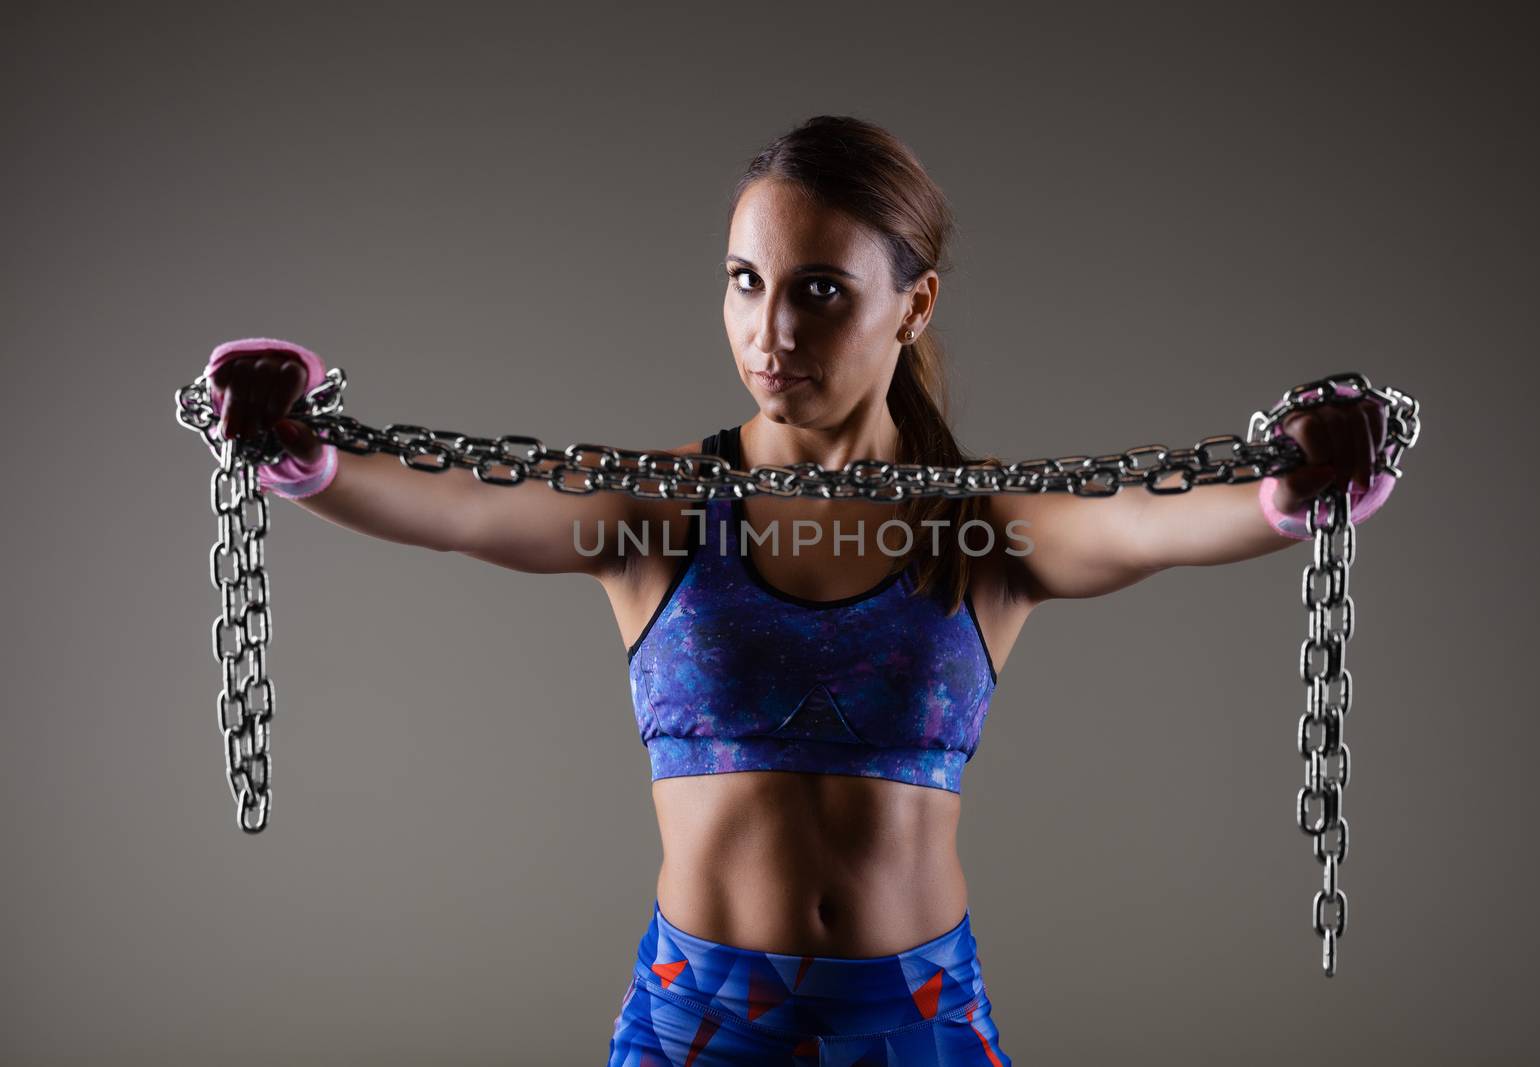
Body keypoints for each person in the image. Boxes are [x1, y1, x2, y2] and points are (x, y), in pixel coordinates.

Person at [207, 114, 1389, 1065]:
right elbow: (457, 508)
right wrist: (299, 456)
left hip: (913, 1012)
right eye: (743, 280)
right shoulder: (659, 508)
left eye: (818, 289)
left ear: (909, 306)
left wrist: (1294, 492)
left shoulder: (979, 527)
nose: (769, 330)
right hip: (698, 1018)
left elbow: (1151, 523)